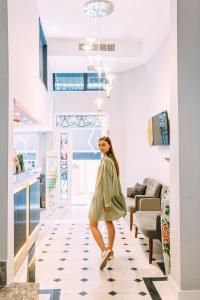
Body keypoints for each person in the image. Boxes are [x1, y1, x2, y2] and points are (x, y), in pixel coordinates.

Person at [89, 136, 127, 270]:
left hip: (101, 198)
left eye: (103, 145)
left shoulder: (106, 161)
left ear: (109, 146)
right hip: (106, 197)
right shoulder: (111, 160)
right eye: (99, 145)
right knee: (108, 222)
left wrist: (106, 202)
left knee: (92, 224)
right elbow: (114, 182)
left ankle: (104, 251)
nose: (100, 147)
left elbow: (106, 183)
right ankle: (110, 250)